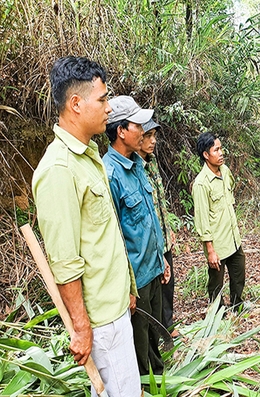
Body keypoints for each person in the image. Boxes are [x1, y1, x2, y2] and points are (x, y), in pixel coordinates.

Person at [32, 56, 141, 396]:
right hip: (101, 323)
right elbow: (65, 262)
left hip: (115, 308)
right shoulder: (58, 171)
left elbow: (103, 235)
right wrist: (81, 328)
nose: (109, 108)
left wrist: (127, 286)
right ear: (76, 104)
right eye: (103, 99)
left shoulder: (88, 156)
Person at [103, 96, 170, 376]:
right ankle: (144, 385)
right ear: (121, 131)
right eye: (137, 125)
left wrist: (161, 258)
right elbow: (114, 237)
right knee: (139, 342)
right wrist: (128, 286)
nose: (143, 131)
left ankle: (159, 377)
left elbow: (150, 218)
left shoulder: (138, 164)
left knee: (155, 332)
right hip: (137, 279)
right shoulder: (110, 174)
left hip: (153, 269)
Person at [192, 133, 249, 312]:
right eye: (216, 150)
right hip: (217, 244)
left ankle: (237, 304)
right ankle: (217, 311)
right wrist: (210, 250)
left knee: (239, 272)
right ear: (206, 155)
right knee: (216, 281)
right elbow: (202, 220)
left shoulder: (225, 171)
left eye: (221, 148)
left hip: (233, 237)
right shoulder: (201, 184)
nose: (221, 153)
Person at [139, 119, 179, 338]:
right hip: (149, 242)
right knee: (154, 290)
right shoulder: (135, 166)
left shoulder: (152, 161)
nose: (153, 141)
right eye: (148, 136)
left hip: (163, 236)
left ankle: (168, 327)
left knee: (168, 286)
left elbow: (160, 201)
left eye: (154, 135)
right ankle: (160, 334)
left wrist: (168, 226)